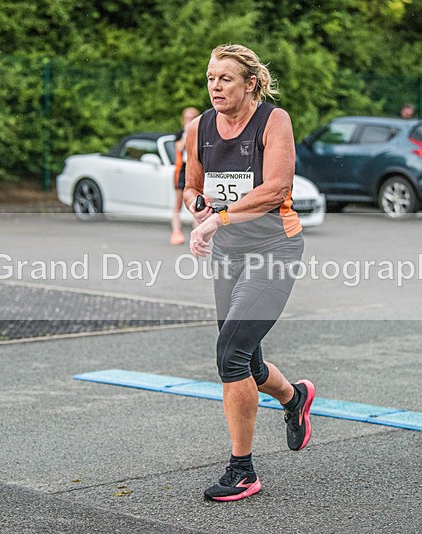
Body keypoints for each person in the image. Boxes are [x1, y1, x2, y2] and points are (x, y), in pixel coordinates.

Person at [183, 44, 315, 502]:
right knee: (246, 355)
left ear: (250, 84)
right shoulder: (198, 127)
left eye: (225, 79)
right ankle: (294, 397)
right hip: (229, 254)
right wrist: (198, 205)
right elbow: (192, 187)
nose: (215, 87)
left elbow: (276, 186)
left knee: (230, 354)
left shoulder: (273, 121)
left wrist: (215, 220)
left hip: (275, 248)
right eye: (210, 78)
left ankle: (243, 472)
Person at [170, 106, 200, 245]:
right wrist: (186, 133)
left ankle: (198, 232)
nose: (189, 120)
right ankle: (176, 231)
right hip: (182, 168)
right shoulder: (180, 134)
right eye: (187, 117)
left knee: (198, 201)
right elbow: (179, 148)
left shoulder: (201, 133)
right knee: (178, 202)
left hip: (196, 167)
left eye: (192, 117)